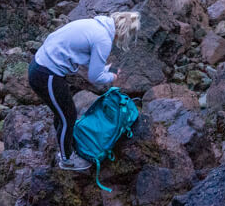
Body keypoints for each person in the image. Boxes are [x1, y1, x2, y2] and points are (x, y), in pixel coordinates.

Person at [28, 11, 141, 170]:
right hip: (47, 74)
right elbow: (95, 77)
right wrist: (111, 77)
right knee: (68, 117)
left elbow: (86, 57)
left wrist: (107, 70)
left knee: (61, 113)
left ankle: (64, 144)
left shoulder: (95, 25)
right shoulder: (103, 39)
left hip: (40, 65)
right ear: (123, 33)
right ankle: (66, 159)